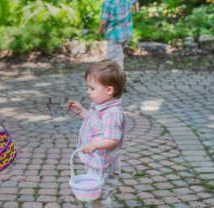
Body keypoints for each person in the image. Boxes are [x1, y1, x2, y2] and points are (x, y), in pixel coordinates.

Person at [67, 59, 126, 208]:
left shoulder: (112, 113)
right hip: (96, 162)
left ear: (109, 90)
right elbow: (95, 123)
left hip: (104, 166)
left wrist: (94, 144)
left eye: (92, 89)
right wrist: (81, 111)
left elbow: (113, 139)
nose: (88, 92)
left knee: (100, 195)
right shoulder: (100, 106)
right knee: (93, 194)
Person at [96, 0, 137, 69]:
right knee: (118, 56)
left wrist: (99, 31)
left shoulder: (108, 3)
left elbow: (103, 22)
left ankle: (119, 79)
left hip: (115, 36)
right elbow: (135, 5)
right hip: (127, 34)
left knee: (116, 62)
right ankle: (116, 77)